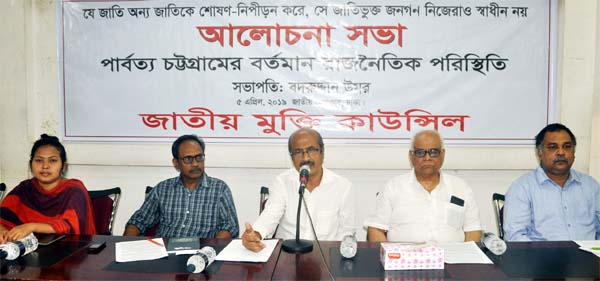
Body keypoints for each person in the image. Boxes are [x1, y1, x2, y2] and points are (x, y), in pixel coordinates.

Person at [242, 128, 355, 252]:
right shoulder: (282, 182)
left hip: (325, 256)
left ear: (322, 152)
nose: (306, 157)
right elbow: (270, 216)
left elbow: (346, 231)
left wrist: (335, 257)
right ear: (291, 157)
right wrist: (256, 235)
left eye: (311, 150)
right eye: (298, 152)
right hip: (287, 255)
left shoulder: (342, 186)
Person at [365, 130, 482, 243]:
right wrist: (391, 258)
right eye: (420, 152)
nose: (427, 158)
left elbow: (473, 230)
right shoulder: (393, 187)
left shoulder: (461, 187)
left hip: (452, 259)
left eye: (434, 152)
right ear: (411, 155)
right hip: (405, 259)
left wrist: (466, 260)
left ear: (443, 154)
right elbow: (376, 229)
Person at [123, 134, 239, 238]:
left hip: (200, 251)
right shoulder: (163, 189)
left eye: (199, 157)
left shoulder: (219, 189)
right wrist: (125, 247)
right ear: (176, 163)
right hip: (165, 252)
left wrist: (211, 250)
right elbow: (139, 221)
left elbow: (230, 226)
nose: (195, 164)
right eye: (188, 159)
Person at [504, 123, 600, 241]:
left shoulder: (590, 186)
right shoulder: (522, 188)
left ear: (574, 151)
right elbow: (515, 236)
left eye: (567, 146)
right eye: (553, 147)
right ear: (540, 153)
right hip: (542, 257)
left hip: (588, 257)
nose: (561, 152)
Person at [0, 134, 96, 243]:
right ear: (31, 164)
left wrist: (32, 227)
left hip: (68, 251)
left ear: (64, 166)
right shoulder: (24, 189)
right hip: (30, 252)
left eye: (53, 160)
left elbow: (72, 226)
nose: (45, 166)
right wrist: (2, 230)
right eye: (39, 160)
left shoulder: (75, 190)